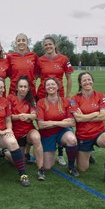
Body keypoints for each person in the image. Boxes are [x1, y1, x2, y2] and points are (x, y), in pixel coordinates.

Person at [0, 76, 31, 187]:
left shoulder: (4, 101)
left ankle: (23, 175)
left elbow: (8, 119)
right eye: (0, 88)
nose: (3, 90)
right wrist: (0, 132)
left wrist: (8, 129)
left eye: (3, 87)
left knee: (12, 142)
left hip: (2, 134)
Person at [70, 72, 105, 184]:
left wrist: (84, 116)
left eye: (89, 79)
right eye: (84, 80)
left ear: (92, 81)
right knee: (82, 169)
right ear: (80, 83)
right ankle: (89, 153)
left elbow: (103, 116)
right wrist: (95, 114)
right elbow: (78, 119)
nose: (87, 82)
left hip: (99, 133)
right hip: (83, 135)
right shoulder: (74, 99)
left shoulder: (100, 96)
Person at [36, 36, 74, 165]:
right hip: (42, 95)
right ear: (43, 47)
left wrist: (68, 96)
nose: (48, 46)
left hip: (60, 95)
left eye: (50, 44)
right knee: (44, 123)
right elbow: (35, 77)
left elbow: (69, 79)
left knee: (61, 120)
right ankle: (45, 148)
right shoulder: (40, 60)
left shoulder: (63, 59)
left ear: (54, 45)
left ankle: (61, 152)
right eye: (45, 45)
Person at [37, 77, 79, 176]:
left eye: (53, 84)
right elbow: (41, 125)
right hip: (47, 134)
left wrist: (52, 123)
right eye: (48, 85)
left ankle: (71, 166)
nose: (50, 86)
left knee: (72, 140)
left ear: (58, 87)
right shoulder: (41, 102)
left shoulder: (66, 101)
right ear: (45, 88)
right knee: (47, 166)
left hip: (62, 131)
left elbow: (72, 123)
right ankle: (49, 149)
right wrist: (62, 122)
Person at [9, 76, 45, 180]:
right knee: (18, 161)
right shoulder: (11, 98)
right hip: (16, 135)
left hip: (28, 131)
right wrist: (19, 117)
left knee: (36, 138)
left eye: (25, 86)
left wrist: (28, 116)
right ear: (16, 88)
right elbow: (8, 116)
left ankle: (40, 169)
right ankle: (6, 153)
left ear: (29, 88)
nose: (23, 89)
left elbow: (34, 115)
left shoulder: (31, 99)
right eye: (21, 86)